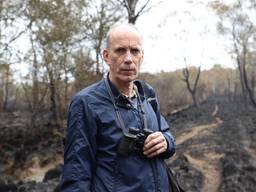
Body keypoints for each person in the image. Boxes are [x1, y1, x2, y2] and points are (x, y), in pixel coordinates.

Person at [60, 23, 176, 192]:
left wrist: (166, 141)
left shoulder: (147, 94)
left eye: (135, 51)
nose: (128, 59)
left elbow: (167, 133)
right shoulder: (86, 103)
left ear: (142, 56)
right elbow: (77, 174)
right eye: (120, 50)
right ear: (106, 56)